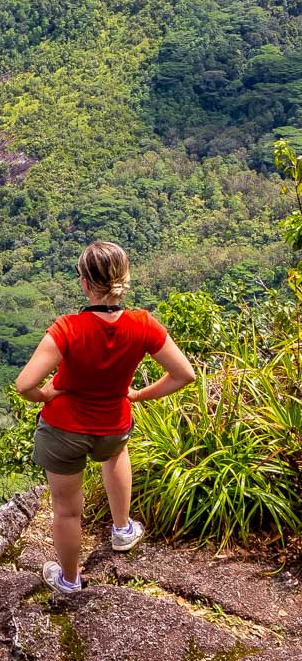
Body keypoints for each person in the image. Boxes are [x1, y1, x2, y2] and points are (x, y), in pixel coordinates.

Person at [15, 240, 196, 596]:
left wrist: (47, 393)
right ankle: (122, 529)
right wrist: (139, 394)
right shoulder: (144, 325)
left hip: (63, 429)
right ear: (124, 279)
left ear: (84, 283)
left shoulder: (67, 329)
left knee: (67, 510)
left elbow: (24, 385)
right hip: (113, 426)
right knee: (116, 454)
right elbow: (184, 375)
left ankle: (69, 580)